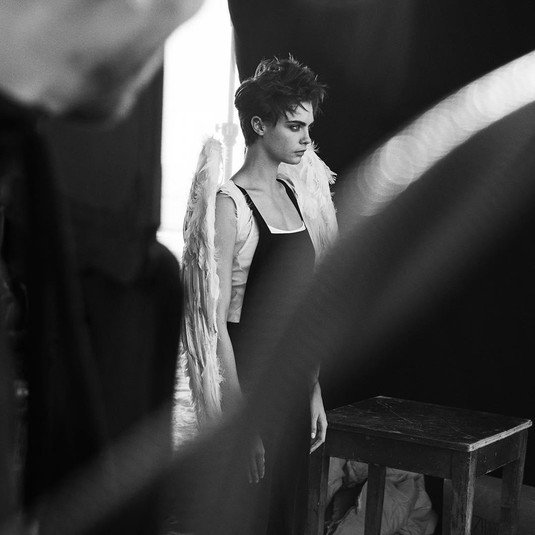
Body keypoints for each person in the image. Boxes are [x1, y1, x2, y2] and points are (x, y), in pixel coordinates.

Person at [181, 56, 337, 535]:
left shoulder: (295, 193)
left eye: (308, 127)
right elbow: (215, 325)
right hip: (249, 383)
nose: (306, 139)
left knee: (287, 517)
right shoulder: (230, 205)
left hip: (292, 383)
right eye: (294, 126)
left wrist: (312, 390)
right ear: (258, 125)